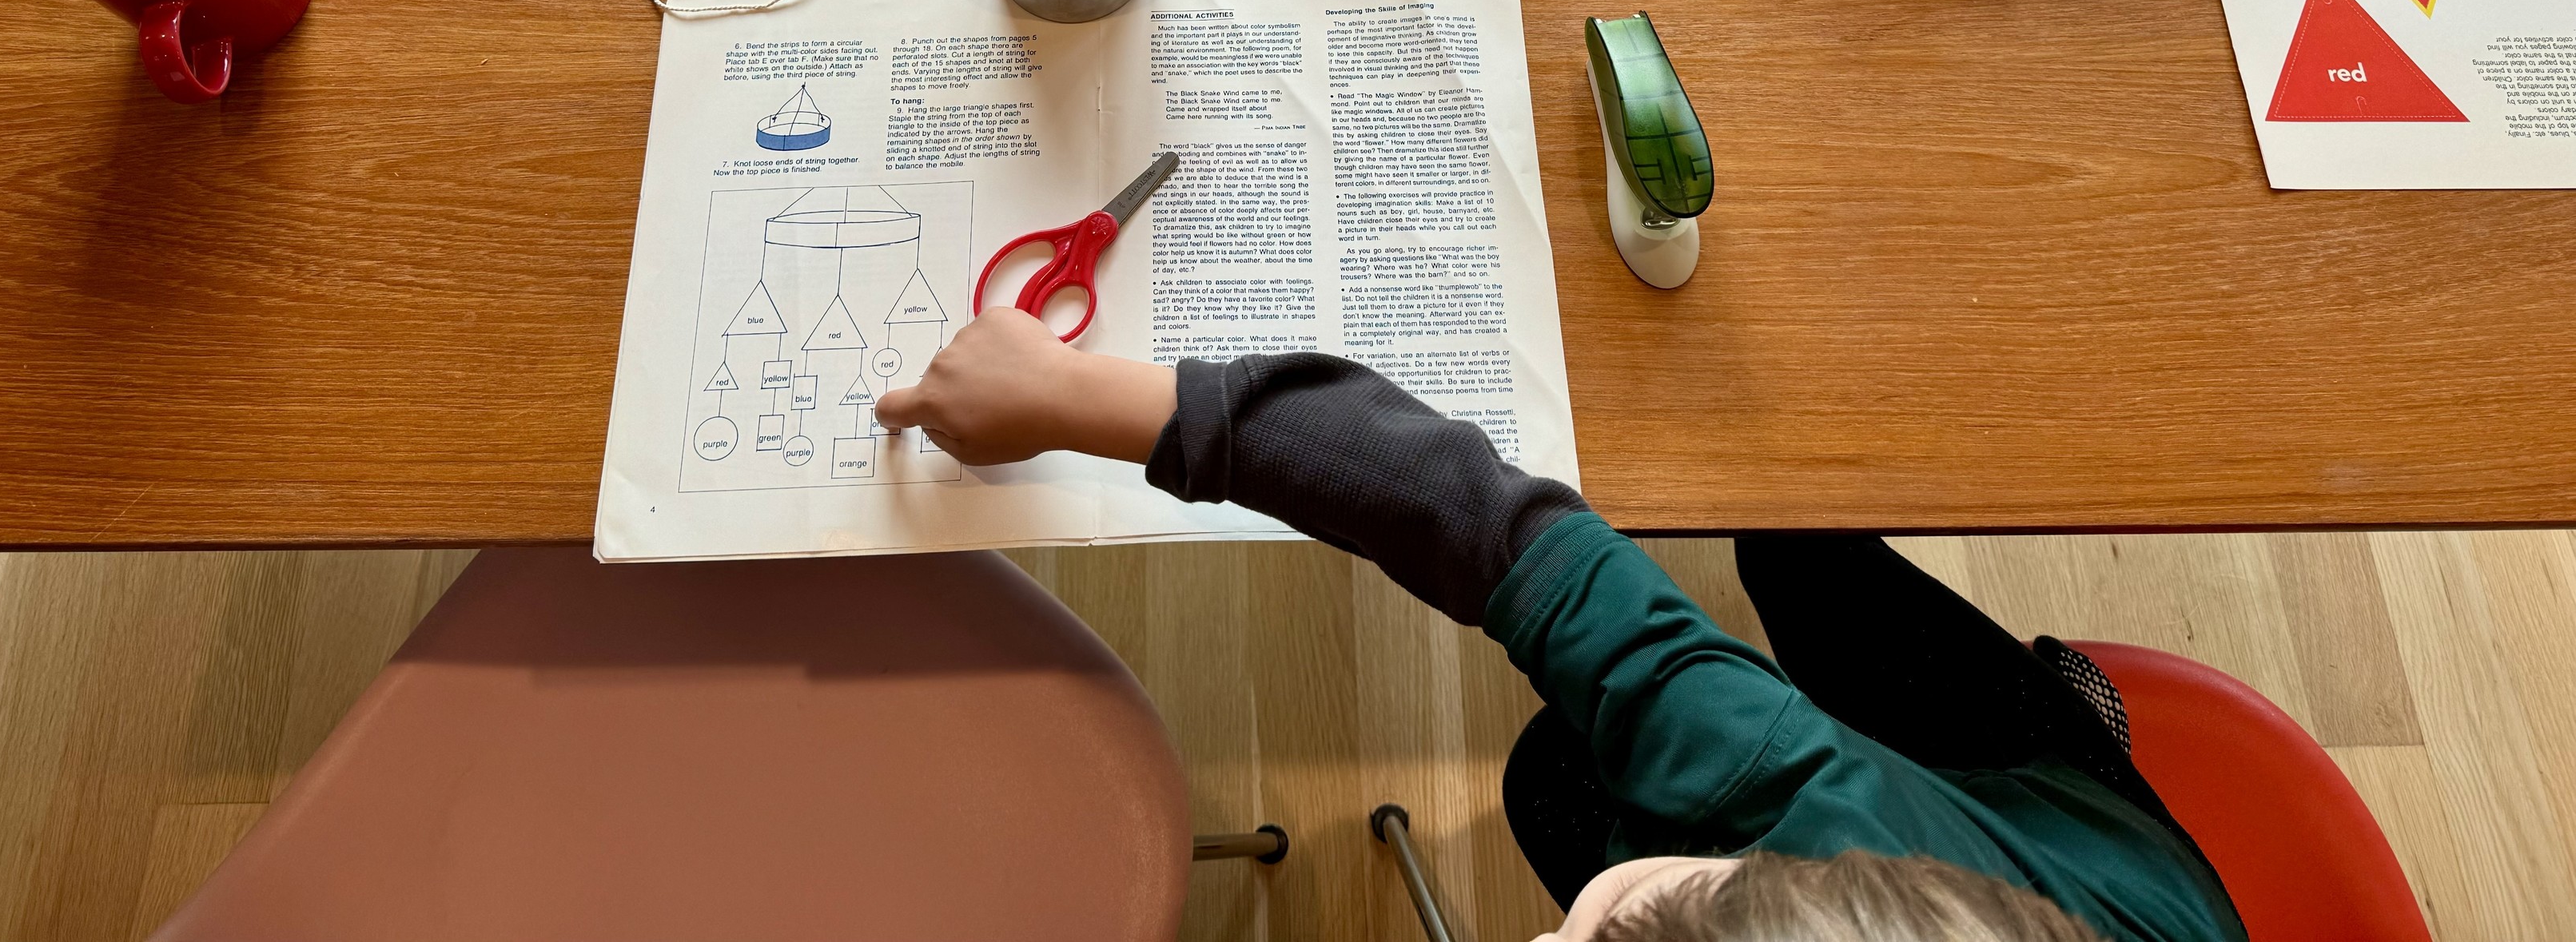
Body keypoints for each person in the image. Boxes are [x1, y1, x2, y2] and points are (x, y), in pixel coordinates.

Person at [874, 312, 2248, 942]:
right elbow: (1471, 510)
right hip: (2059, 839)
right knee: (1795, 533)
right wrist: (1094, 401)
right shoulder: (1817, 799)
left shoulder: (1801, 814)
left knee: (1558, 775)